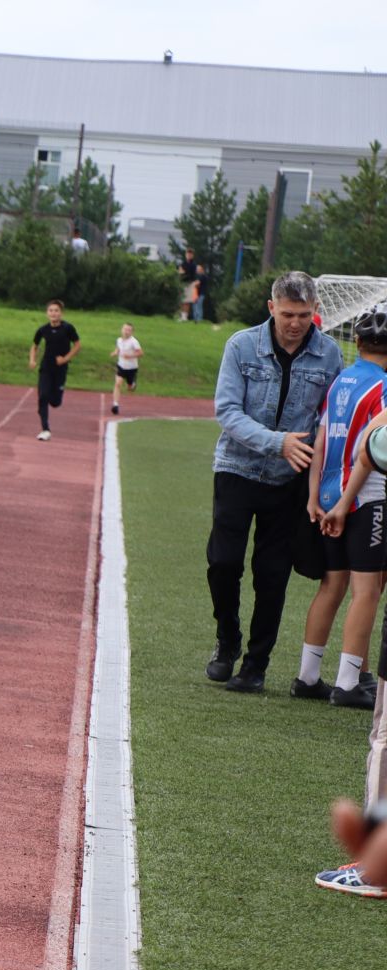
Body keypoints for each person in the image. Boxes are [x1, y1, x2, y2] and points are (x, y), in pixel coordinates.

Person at [204, 271, 345, 692]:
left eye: (304, 314)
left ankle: (255, 666)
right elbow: (227, 412)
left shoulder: (329, 355)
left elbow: (328, 421)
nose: (295, 323)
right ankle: (226, 640)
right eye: (287, 314)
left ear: (315, 312)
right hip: (236, 469)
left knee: (272, 574)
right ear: (271, 308)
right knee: (223, 562)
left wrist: (320, 478)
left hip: (289, 481)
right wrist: (276, 442)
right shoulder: (241, 345)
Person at [304, 304, 387, 709]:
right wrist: (346, 502)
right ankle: (349, 683)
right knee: (367, 590)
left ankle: (307, 675)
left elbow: (321, 441)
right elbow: (369, 453)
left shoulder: (342, 381)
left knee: (331, 585)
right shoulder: (384, 387)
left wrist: (315, 496)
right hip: (365, 498)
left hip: (327, 496)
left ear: (356, 341)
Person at [29, 300, 80, 440]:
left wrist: (65, 359)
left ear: (61, 313)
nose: (53, 313)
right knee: (43, 396)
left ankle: (56, 396)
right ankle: (45, 429)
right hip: (46, 368)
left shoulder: (68, 328)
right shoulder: (43, 329)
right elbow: (34, 345)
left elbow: (77, 345)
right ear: (47, 313)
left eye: (56, 310)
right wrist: (32, 360)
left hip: (61, 369)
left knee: (55, 402)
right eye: (51, 310)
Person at [110, 323, 143, 415]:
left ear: (132, 332)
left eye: (129, 330)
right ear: (122, 330)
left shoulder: (134, 342)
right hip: (121, 366)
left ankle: (132, 384)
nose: (126, 331)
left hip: (132, 368)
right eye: (125, 329)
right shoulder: (119, 340)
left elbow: (140, 353)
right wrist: (115, 353)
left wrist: (130, 356)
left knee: (130, 388)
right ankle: (115, 405)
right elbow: (118, 349)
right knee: (118, 383)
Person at [178, 249, 201, 321]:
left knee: (187, 301)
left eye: (190, 254)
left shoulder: (193, 265)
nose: (189, 256)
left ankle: (185, 316)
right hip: (182, 283)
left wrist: (184, 272)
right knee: (182, 300)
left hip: (190, 283)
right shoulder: (183, 264)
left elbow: (190, 274)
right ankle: (182, 315)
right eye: (188, 254)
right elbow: (180, 272)